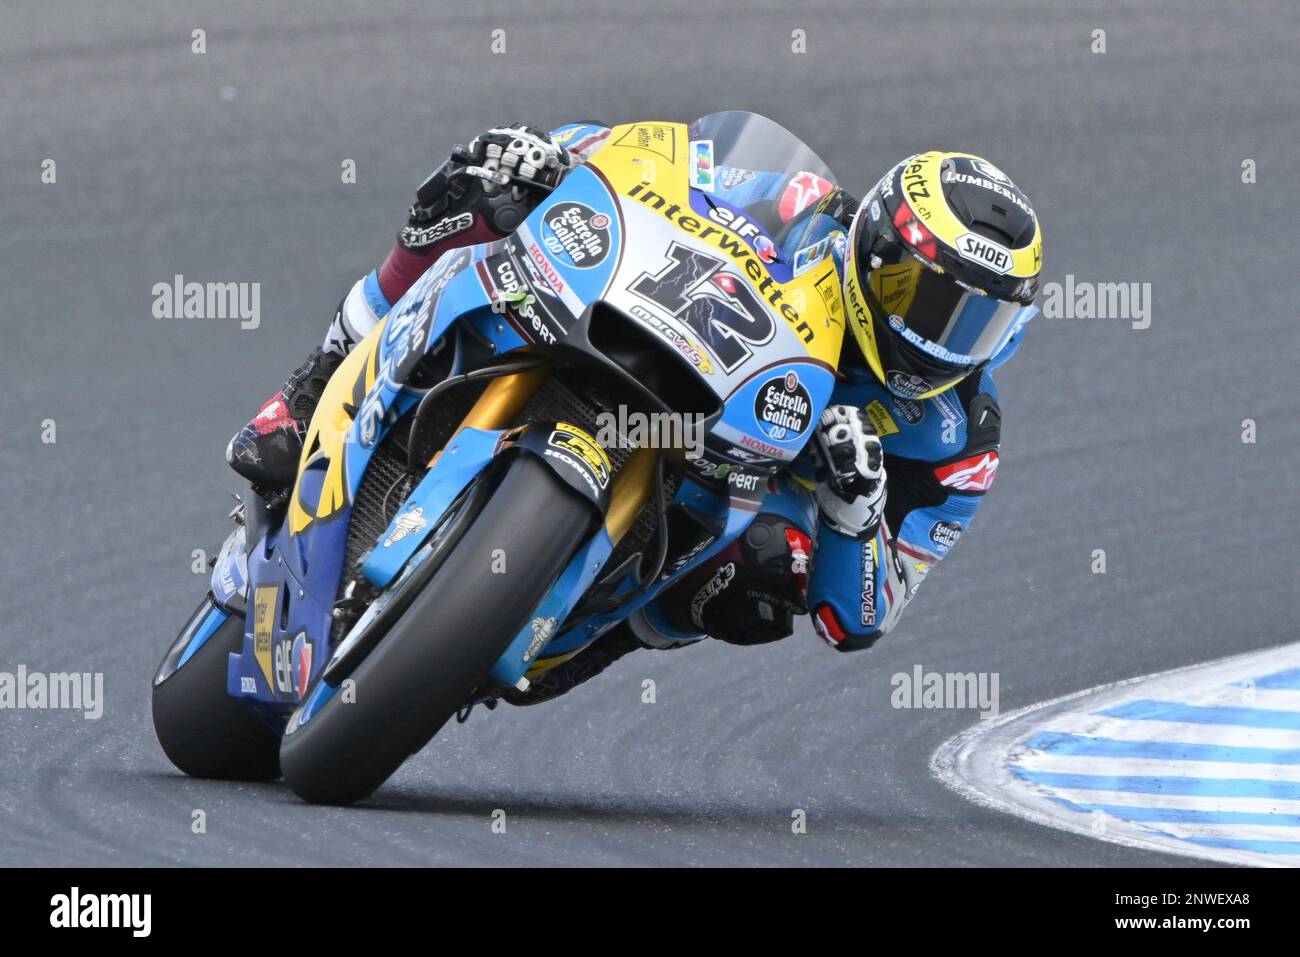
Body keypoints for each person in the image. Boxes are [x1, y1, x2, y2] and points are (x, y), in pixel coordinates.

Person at [225, 120, 1042, 703]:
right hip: (661, 347)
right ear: (875, 248)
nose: (932, 334)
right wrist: (555, 154)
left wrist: (856, 508)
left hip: (744, 488)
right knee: (480, 188)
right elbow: (666, 163)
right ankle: (306, 393)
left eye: (975, 322)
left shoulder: (960, 436)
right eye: (918, 295)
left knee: (766, 571)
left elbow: (859, 619)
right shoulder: (803, 208)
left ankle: (585, 630)